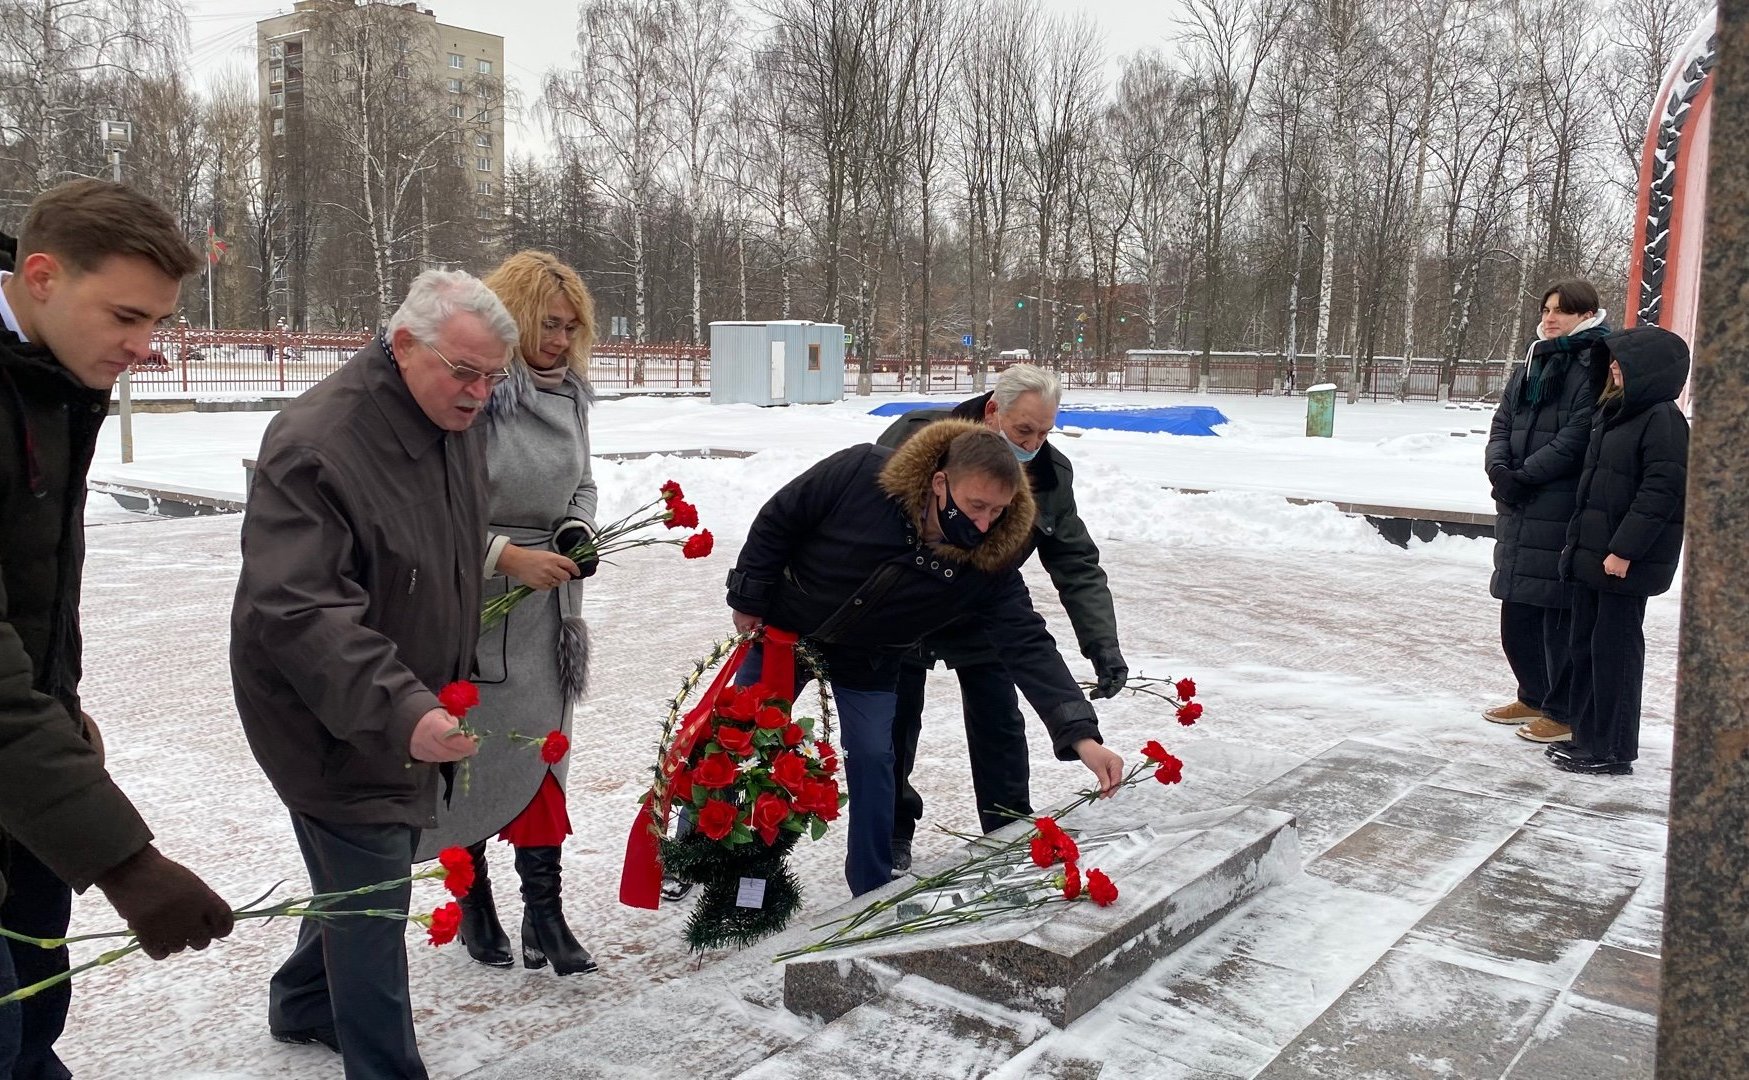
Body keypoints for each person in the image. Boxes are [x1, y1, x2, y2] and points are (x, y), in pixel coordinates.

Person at [231, 269, 513, 1078]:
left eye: (494, 377)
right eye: (465, 372)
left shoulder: (451, 420)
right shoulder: (317, 443)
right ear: (402, 345)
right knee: (372, 907)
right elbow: (299, 609)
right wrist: (402, 708)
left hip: (398, 699)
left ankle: (301, 1001)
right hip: (325, 711)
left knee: (360, 868)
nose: (479, 394)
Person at [0, 179, 235, 1080]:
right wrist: (126, 863)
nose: (146, 348)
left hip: (25, 777)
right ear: (45, 275)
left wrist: (57, 702)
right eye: (127, 317)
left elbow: (28, 588)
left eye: (158, 323)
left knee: (32, 1013)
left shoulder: (46, 376)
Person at [726, 420, 1126, 896]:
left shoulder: (988, 559)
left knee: (875, 757)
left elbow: (1028, 642)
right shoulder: (861, 473)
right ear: (941, 482)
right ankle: (697, 847)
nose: (983, 524)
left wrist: (1080, 734)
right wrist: (749, 596)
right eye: (976, 506)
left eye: (997, 512)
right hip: (787, 629)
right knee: (738, 734)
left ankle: (871, 886)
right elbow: (781, 518)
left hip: (870, 656)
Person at [416, 251, 600, 977]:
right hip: (480, 602)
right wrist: (505, 558)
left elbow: (582, 482)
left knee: (541, 758)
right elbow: (436, 510)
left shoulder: (573, 395)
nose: (557, 340)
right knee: (472, 760)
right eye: (546, 324)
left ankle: (545, 915)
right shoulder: (478, 395)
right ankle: (475, 900)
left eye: (569, 327)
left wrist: (577, 530)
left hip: (550, 609)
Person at [877, 365, 1124, 873]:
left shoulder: (1049, 475)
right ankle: (891, 831)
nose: (1033, 444)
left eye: (1044, 433)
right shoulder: (918, 437)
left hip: (987, 607)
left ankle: (1007, 827)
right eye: (1023, 430)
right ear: (993, 411)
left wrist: (1102, 644)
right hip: (906, 609)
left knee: (999, 724)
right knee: (894, 725)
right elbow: (865, 518)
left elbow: (1075, 561)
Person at [1547, 325, 1689, 775]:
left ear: (1649, 368)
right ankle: (1588, 736)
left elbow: (1661, 493)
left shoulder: (1662, 418)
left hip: (1622, 562)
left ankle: (1613, 748)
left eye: (1621, 360)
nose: (1612, 366)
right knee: (1587, 648)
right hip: (1595, 555)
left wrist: (1624, 550)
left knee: (1617, 655)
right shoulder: (1615, 411)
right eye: (1610, 360)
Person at [1482, 280, 1610, 746]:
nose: (1551, 317)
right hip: (1518, 505)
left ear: (1588, 314)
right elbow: (1502, 422)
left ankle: (1562, 708)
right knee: (1518, 612)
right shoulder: (1534, 360)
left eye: (1563, 310)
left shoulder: (1593, 362)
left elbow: (1578, 435)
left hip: (1559, 505)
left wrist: (1525, 475)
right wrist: (1499, 468)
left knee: (1558, 615)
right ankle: (1532, 693)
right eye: (1547, 308)